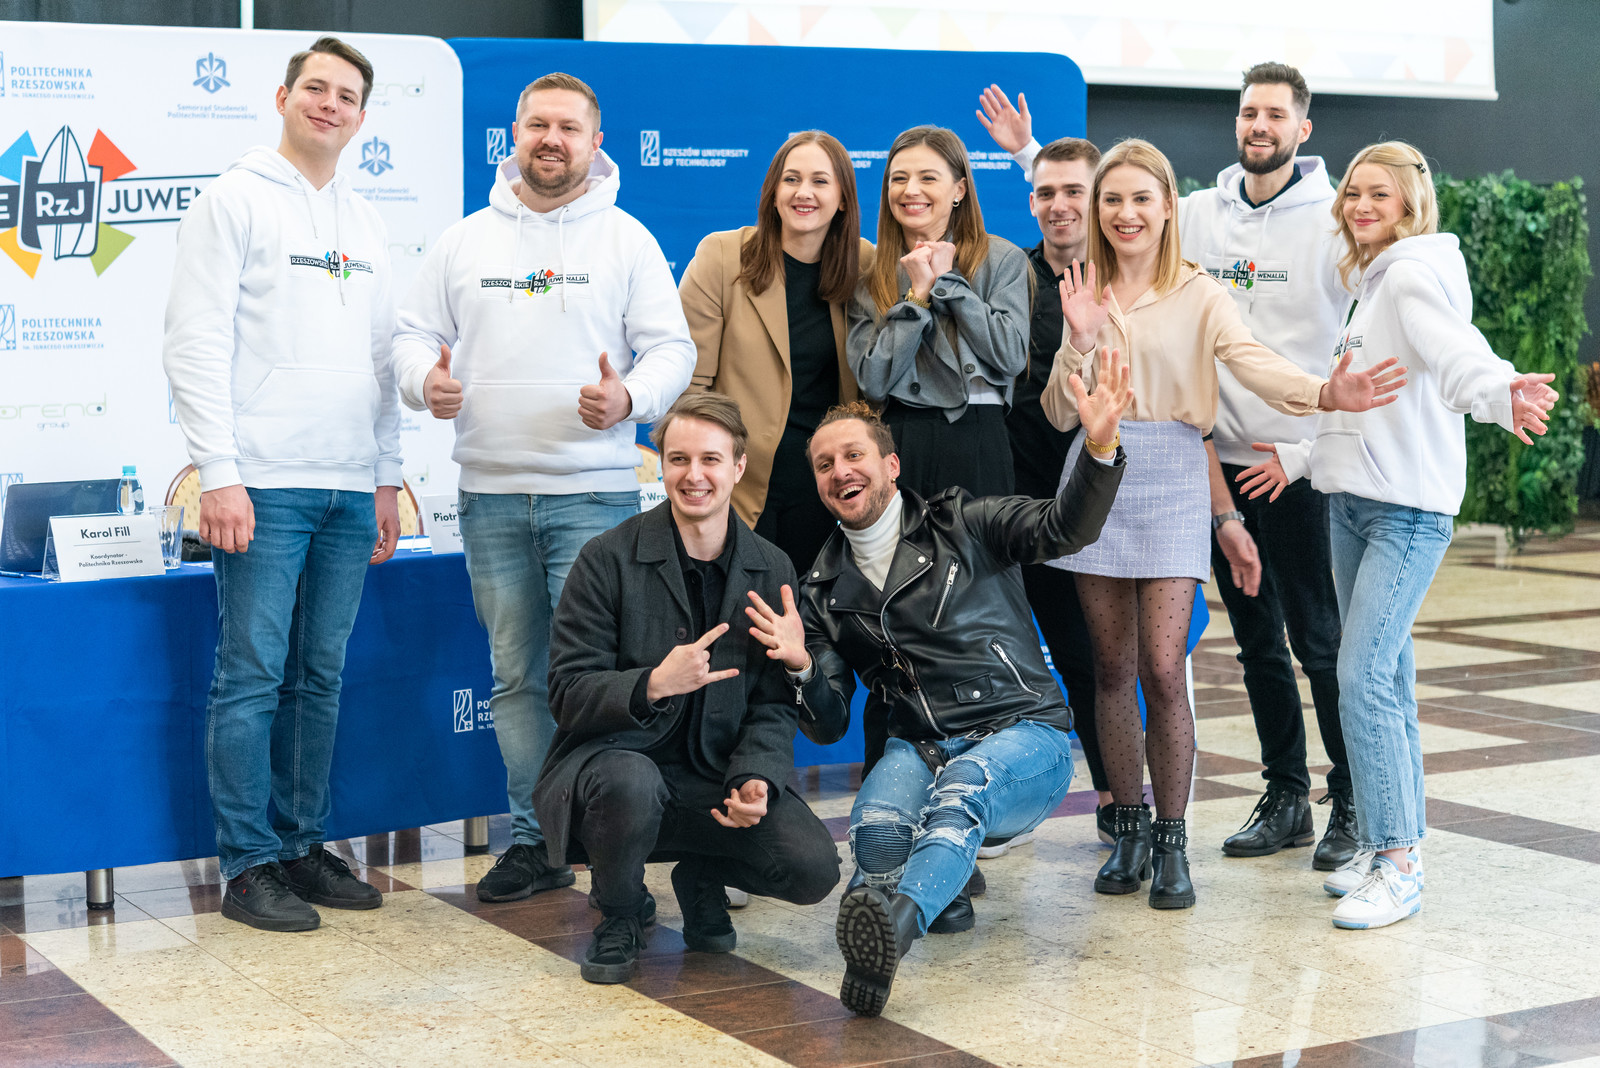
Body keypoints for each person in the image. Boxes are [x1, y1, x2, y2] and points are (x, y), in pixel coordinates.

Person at [1040, 139, 1406, 911]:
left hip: (1173, 474)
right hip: (1096, 474)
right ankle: (1128, 830)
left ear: (1168, 207)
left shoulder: (1200, 292)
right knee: (1110, 670)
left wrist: (1324, 393)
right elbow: (1055, 412)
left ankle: (1171, 841)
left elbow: (1253, 361)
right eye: (1113, 199)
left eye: (1141, 198)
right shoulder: (1084, 289)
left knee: (1162, 667)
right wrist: (1077, 341)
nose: (1126, 213)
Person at [743, 355, 1129, 1017]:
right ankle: (916, 901)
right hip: (920, 744)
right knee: (875, 830)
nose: (841, 471)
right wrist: (801, 665)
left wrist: (1098, 449)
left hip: (1023, 730)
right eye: (825, 465)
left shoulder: (967, 521)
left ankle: (892, 933)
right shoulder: (820, 591)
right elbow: (829, 725)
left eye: (854, 455)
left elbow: (1066, 527)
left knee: (961, 794)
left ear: (891, 465)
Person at [390, 72, 695, 905]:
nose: (551, 139)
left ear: (596, 143)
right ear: (514, 137)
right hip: (489, 498)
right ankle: (537, 841)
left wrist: (630, 399)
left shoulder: (627, 239)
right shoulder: (465, 241)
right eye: (537, 125)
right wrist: (424, 383)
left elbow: (672, 350)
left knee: (599, 679)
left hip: (592, 500)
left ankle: (611, 840)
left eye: (568, 127)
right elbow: (412, 337)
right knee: (517, 680)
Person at [1238, 141, 1558, 929]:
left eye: (1379, 193)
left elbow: (1457, 357)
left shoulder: (1412, 275)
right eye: (1353, 192)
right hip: (1351, 504)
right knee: (1390, 682)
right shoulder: (1368, 288)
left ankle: (1398, 864)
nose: (1360, 205)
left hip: (1403, 514)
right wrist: (1303, 456)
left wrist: (1499, 390)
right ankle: (1397, 842)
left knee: (1362, 678)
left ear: (1411, 204)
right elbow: (1368, 407)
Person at [163, 37, 400, 932]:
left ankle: (301, 845)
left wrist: (385, 478)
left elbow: (383, 361)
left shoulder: (365, 220)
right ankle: (247, 863)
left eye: (346, 95)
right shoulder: (231, 200)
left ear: (362, 118)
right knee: (252, 675)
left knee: (318, 677)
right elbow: (194, 342)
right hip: (262, 483)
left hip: (348, 486)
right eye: (315, 88)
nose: (329, 104)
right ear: (283, 97)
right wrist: (220, 474)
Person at [538, 392, 841, 984]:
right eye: (678, 459)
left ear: (739, 467)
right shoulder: (606, 558)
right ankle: (621, 912)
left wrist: (756, 776)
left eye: (710, 460)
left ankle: (702, 872)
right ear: (662, 464)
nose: (693, 475)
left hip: (714, 777)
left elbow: (772, 704)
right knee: (630, 782)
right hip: (617, 772)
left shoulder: (773, 567)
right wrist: (653, 683)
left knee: (813, 869)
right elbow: (567, 692)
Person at [1176, 63, 1358, 869]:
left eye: (1275, 115)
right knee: (1255, 642)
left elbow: (1365, 342)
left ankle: (1351, 796)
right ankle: (1285, 796)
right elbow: (1114, 207)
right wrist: (1028, 151)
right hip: (1222, 468)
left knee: (1319, 640)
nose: (1260, 125)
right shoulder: (1198, 213)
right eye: (1250, 112)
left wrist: (1302, 450)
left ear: (1301, 129)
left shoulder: (1334, 221)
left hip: (1299, 468)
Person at [846, 124, 1030, 770]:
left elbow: (1009, 354)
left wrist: (948, 283)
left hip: (980, 441)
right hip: (902, 444)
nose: (911, 190)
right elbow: (873, 378)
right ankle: (889, 788)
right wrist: (916, 297)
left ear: (959, 189)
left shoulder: (1002, 259)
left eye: (928, 177)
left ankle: (980, 785)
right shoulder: (872, 273)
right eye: (898, 178)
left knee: (980, 615)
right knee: (895, 614)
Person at [976, 90, 1122, 848]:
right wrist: (1027, 157)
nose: (1059, 206)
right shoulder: (1011, 272)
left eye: (1076, 193)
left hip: (1088, 508)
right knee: (993, 662)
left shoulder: (1125, 275)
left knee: (1087, 659)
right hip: (1007, 502)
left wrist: (1030, 152)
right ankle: (988, 805)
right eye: (1045, 193)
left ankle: (1117, 801)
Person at [680, 131, 874, 575]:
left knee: (810, 611)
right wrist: (709, 469)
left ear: (843, 199)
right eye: (791, 179)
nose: (804, 192)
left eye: (820, 181)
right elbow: (690, 387)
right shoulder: (723, 256)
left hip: (829, 485)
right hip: (740, 484)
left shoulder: (864, 263)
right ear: (773, 192)